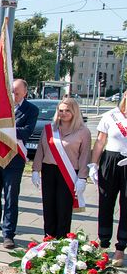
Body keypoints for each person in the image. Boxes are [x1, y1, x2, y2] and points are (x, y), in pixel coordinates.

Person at [0, 78, 39, 248]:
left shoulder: (31, 110)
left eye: (16, 92)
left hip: (14, 159)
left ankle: (9, 233)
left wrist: (2, 128)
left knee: (10, 197)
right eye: (11, 91)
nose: (13, 94)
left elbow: (25, 132)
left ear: (25, 93)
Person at [33, 98, 90, 240]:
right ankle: (48, 239)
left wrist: (82, 178)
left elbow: (85, 156)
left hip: (69, 173)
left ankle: (61, 242)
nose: (63, 113)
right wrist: (35, 170)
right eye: (61, 110)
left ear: (75, 112)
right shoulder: (49, 129)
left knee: (63, 209)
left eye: (67, 111)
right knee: (49, 207)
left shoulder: (83, 132)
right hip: (49, 171)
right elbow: (41, 150)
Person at [89, 95, 127, 266]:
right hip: (110, 161)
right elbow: (100, 142)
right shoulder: (111, 115)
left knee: (126, 205)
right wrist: (93, 164)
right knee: (105, 202)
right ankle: (104, 243)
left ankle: (121, 247)